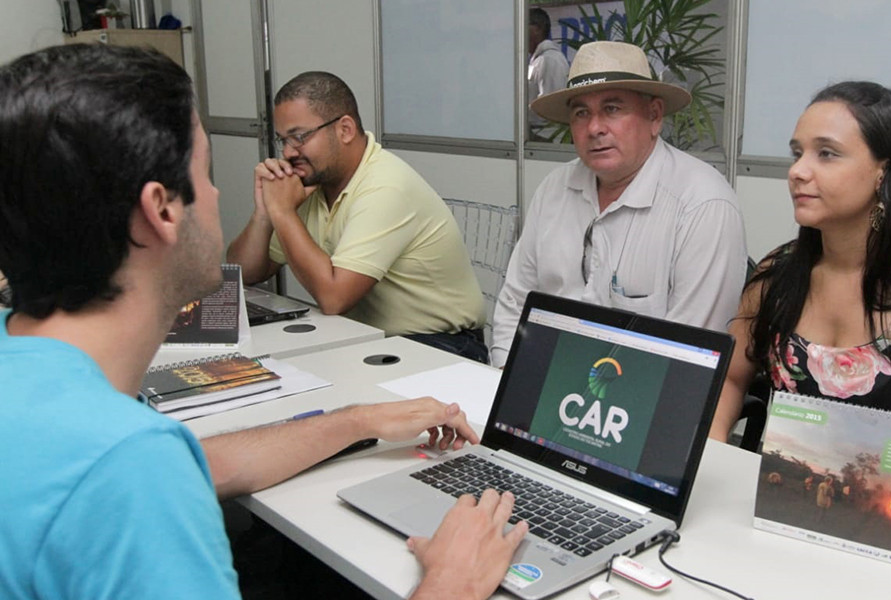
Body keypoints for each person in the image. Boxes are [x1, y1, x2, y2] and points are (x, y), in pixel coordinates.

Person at [0, 44, 526, 599]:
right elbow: (146, 469)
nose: (217, 191)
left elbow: (194, 462)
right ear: (162, 210)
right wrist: (451, 582)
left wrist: (356, 420)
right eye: (205, 174)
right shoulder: (132, 472)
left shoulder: (46, 390)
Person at [709, 81, 891, 492]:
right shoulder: (778, 274)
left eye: (826, 153)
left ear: (884, 171)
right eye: (797, 153)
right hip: (784, 500)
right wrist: (714, 450)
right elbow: (730, 378)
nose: (797, 171)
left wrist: (865, 472)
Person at [492, 41, 747, 367]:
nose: (594, 128)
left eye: (612, 109)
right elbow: (515, 302)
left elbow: (689, 358)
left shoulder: (703, 205)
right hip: (542, 376)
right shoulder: (553, 190)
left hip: (639, 389)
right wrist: (504, 375)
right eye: (581, 113)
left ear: (654, 116)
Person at [226, 71, 488, 363]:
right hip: (367, 337)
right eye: (282, 140)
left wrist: (283, 211)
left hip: (440, 345)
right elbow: (245, 273)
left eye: (299, 137)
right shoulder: (312, 184)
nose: (287, 152)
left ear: (345, 129)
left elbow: (334, 298)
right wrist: (264, 212)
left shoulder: (386, 186)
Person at [527, 7, 570, 138]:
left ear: (537, 28)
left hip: (546, 137)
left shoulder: (549, 59)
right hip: (536, 134)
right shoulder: (539, 59)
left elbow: (551, 106)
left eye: (524, 26)